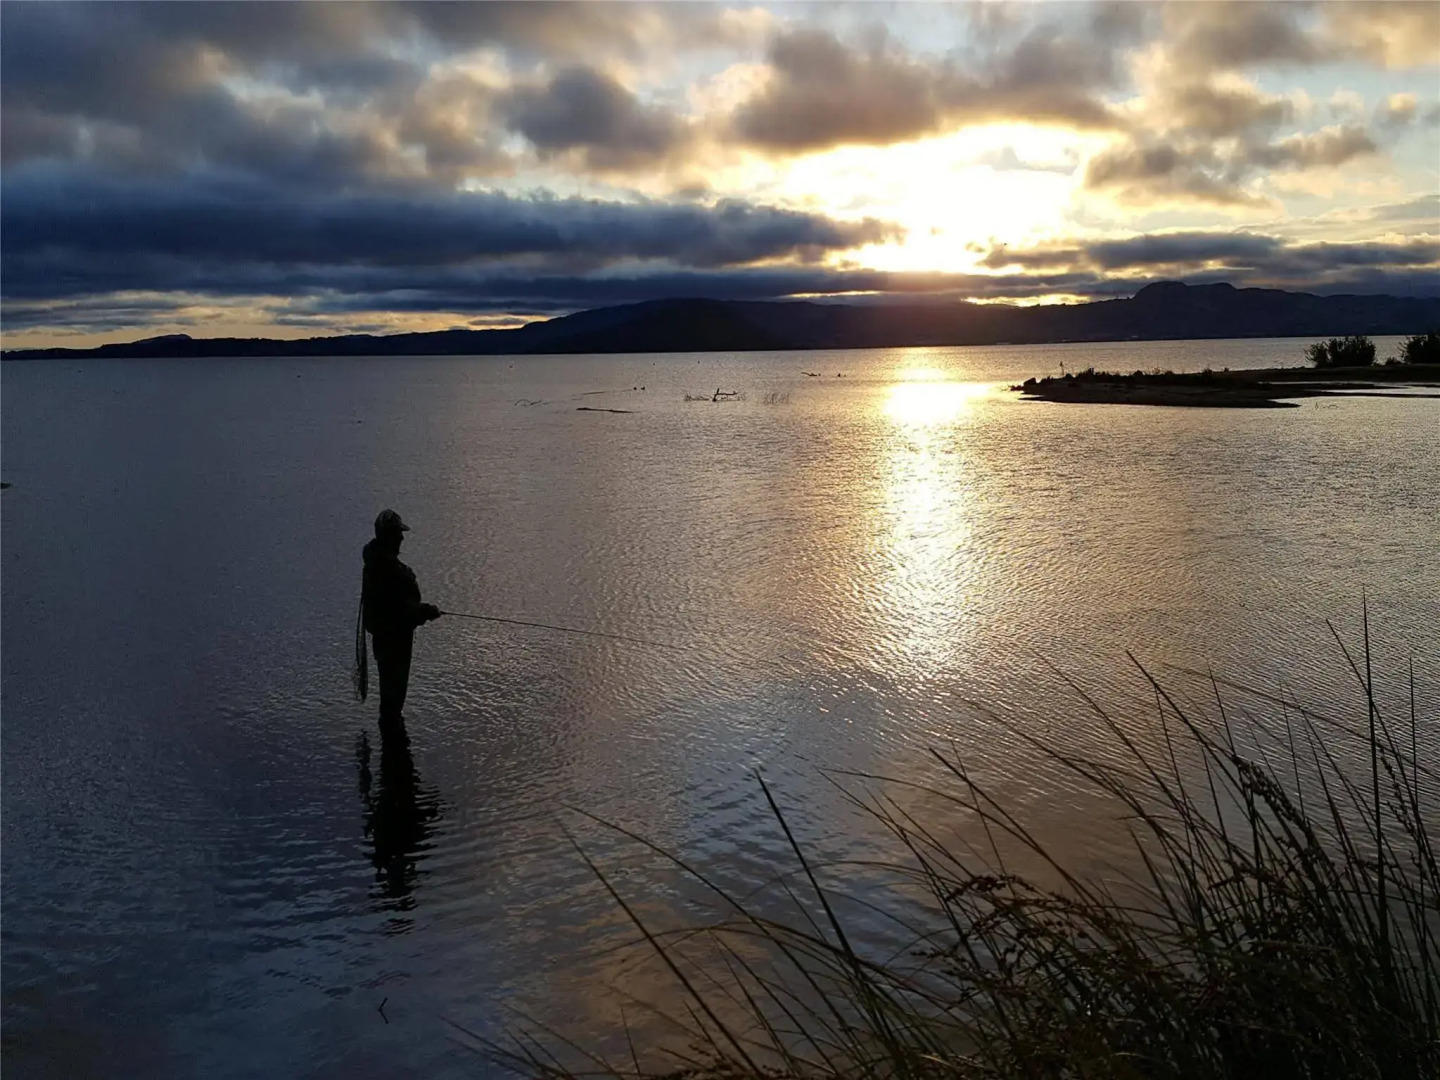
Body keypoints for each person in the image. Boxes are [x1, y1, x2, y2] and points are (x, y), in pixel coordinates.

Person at [357, 509, 441, 727]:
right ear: (388, 536)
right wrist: (427, 611)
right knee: (392, 701)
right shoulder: (389, 571)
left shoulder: (376, 565)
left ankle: (391, 745)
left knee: (390, 699)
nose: (402, 538)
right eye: (398, 533)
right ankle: (393, 748)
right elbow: (401, 611)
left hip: (387, 641)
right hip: (394, 642)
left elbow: (399, 608)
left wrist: (422, 611)